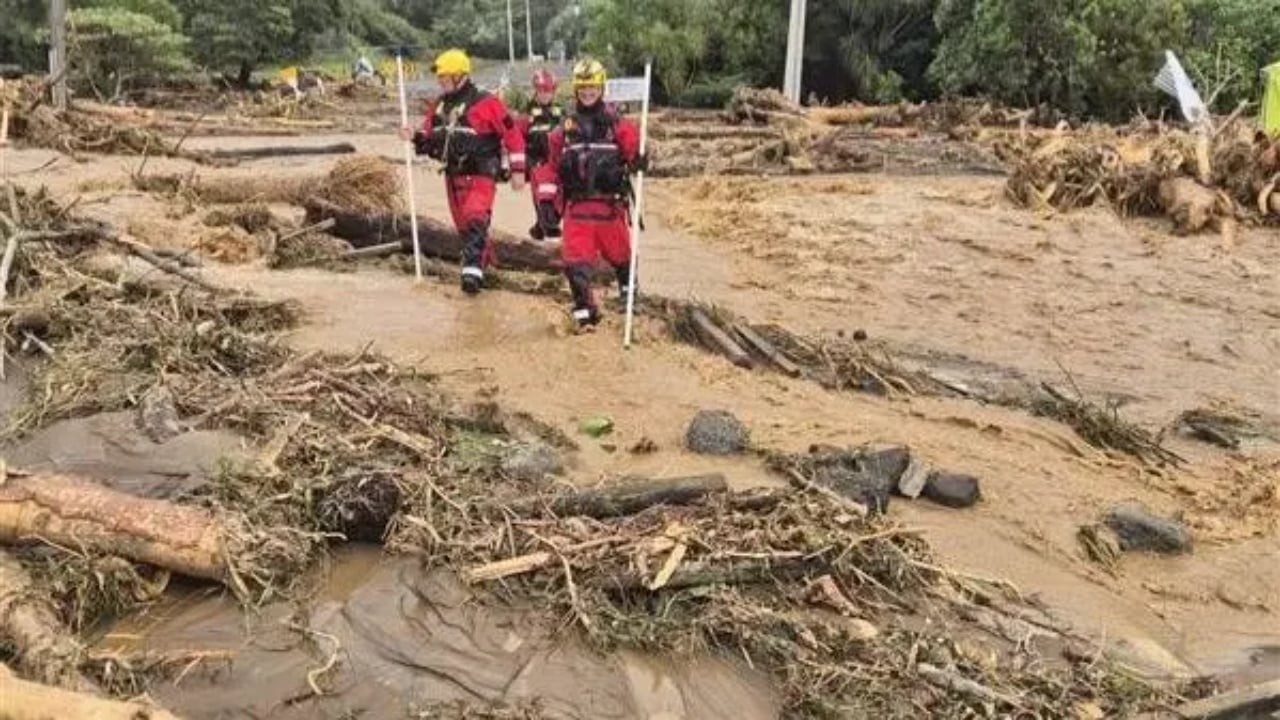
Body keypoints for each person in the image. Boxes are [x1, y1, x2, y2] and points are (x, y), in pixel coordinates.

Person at [403, 48, 526, 294]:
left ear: (460, 76)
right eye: (439, 77)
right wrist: (414, 136)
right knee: (463, 227)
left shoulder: (487, 102)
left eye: (444, 77)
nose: (440, 81)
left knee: (474, 216)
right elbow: (428, 139)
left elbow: (513, 135)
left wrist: (518, 171)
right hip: (453, 175)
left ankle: (472, 273)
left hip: (481, 172)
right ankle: (486, 264)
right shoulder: (439, 106)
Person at [545, 58, 647, 332]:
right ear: (576, 89)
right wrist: (547, 205)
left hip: (609, 208)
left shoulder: (617, 125)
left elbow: (635, 152)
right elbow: (551, 168)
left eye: (592, 87)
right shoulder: (563, 130)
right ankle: (585, 311)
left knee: (622, 256)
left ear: (601, 88)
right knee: (574, 264)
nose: (588, 92)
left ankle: (629, 293)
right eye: (583, 87)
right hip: (577, 209)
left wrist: (640, 159)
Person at [516, 68, 564, 240]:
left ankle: (540, 227)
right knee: (543, 194)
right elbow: (517, 139)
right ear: (536, 90)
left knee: (559, 194)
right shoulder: (526, 114)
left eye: (549, 90)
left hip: (557, 161)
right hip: (536, 161)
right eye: (542, 90)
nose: (545, 94)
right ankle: (547, 226)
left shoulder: (560, 112)